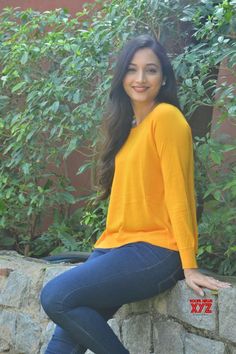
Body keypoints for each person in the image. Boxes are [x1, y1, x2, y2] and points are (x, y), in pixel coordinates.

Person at [40, 34, 232, 354]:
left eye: (151, 70)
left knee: (55, 296)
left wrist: (189, 264)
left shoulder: (166, 118)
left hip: (156, 250)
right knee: (63, 341)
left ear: (164, 77)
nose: (140, 79)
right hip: (117, 246)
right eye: (132, 69)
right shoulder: (129, 127)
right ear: (122, 76)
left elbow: (179, 193)